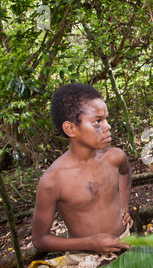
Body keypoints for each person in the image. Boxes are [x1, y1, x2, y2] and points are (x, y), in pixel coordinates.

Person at [32, 83, 133, 256]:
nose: (108, 126)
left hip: (125, 243)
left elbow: (125, 173)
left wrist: (124, 207)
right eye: (98, 121)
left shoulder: (115, 157)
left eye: (106, 119)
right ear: (71, 128)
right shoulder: (53, 180)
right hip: (85, 259)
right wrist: (90, 243)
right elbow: (40, 239)